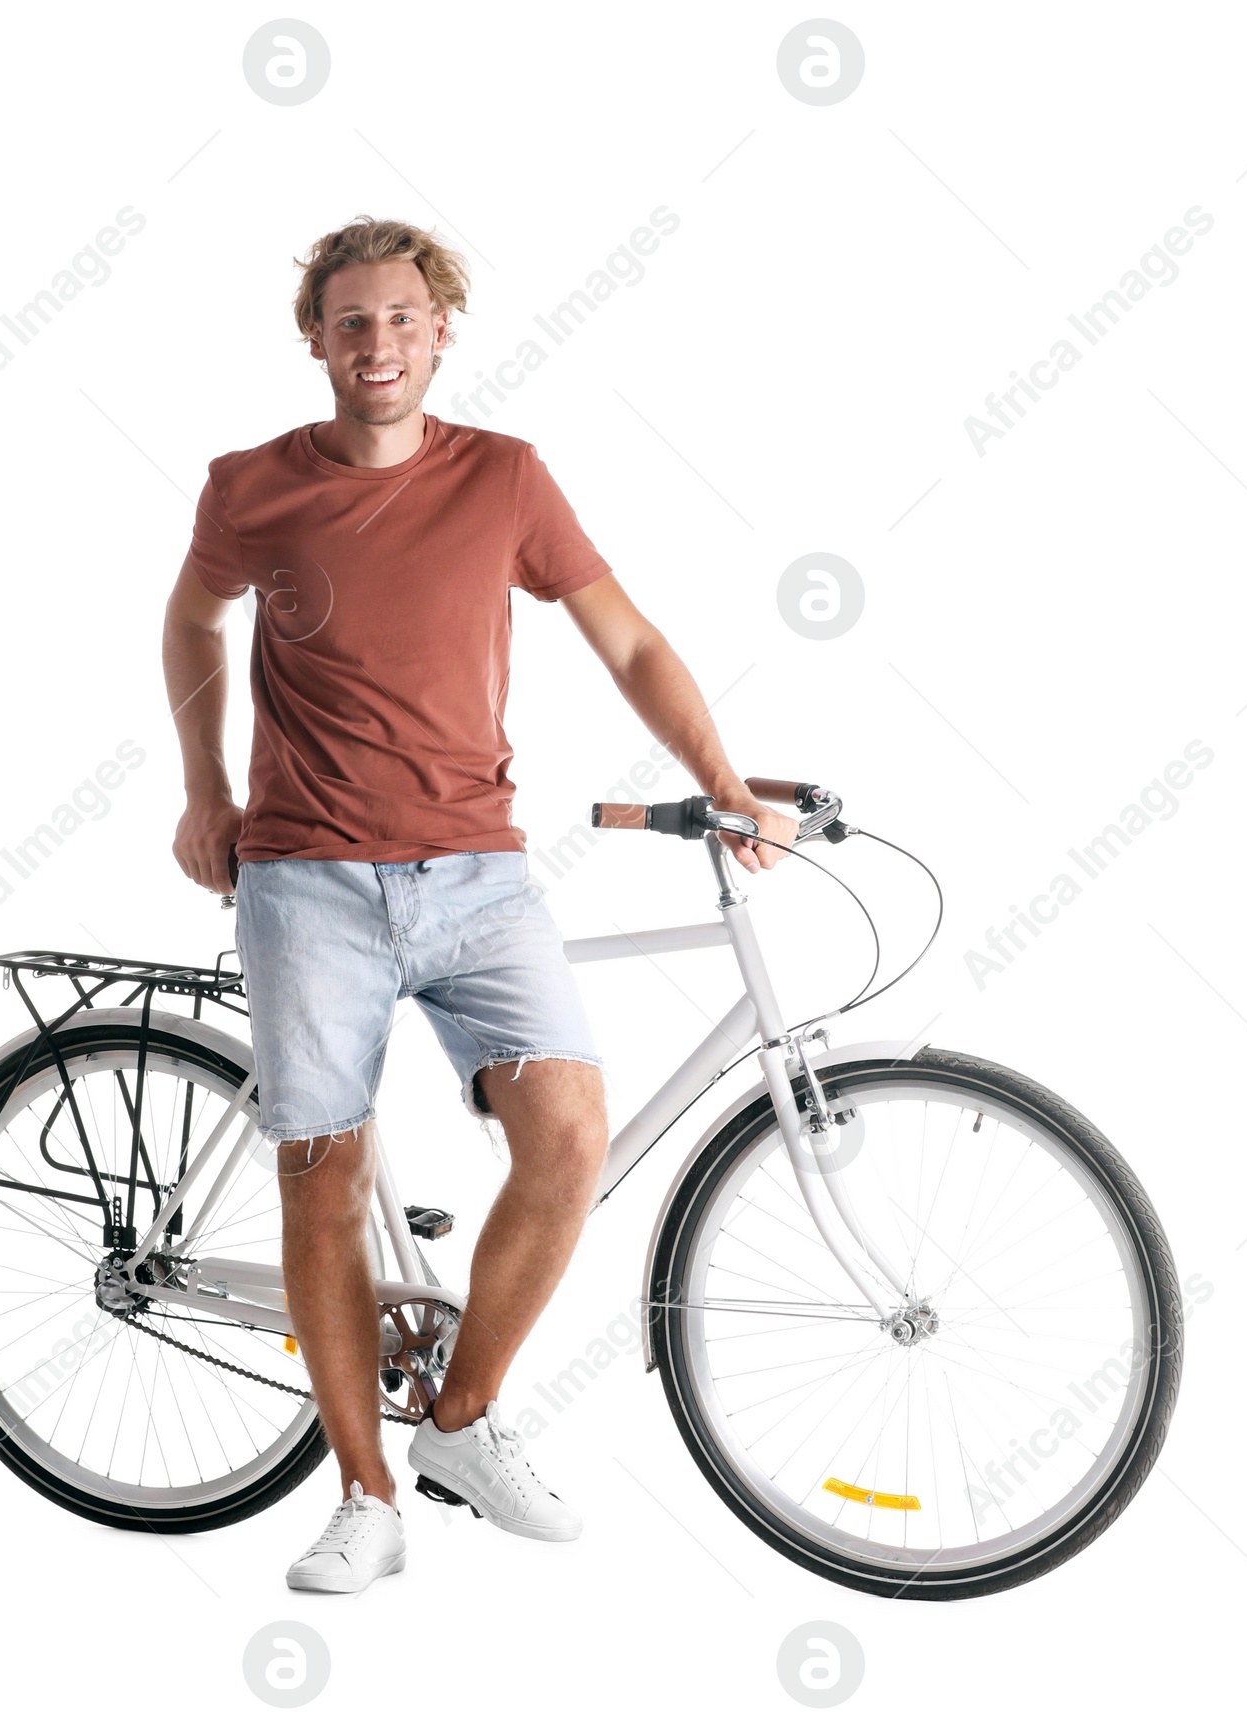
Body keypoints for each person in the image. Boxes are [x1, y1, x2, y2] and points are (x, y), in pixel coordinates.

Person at [162, 215, 794, 1593]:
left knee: (568, 1136)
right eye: (350, 319)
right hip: (303, 873)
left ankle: (456, 1422)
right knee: (322, 1186)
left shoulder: (505, 479)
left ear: (441, 331)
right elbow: (192, 618)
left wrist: (725, 777)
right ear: (313, 337)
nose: (376, 341)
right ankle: (362, 1494)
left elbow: (625, 636)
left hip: (476, 870)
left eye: (401, 317)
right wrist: (204, 791)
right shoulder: (250, 486)